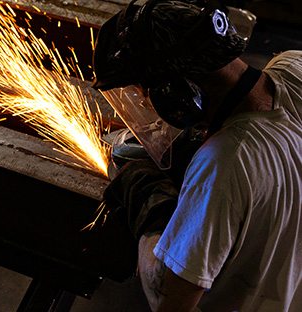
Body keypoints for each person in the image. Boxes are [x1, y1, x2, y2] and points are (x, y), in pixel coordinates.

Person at [92, 0, 302, 311]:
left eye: (147, 93)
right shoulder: (294, 68)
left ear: (177, 91)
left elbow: (168, 301)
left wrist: (152, 209)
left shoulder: (225, 162)